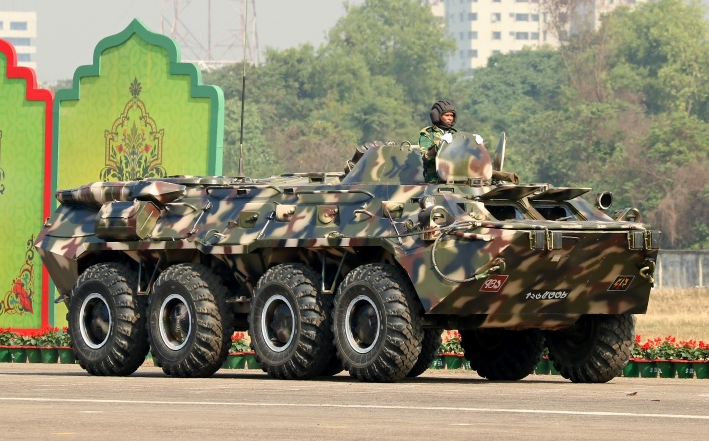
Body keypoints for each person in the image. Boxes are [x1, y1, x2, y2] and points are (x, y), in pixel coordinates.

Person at [419, 100, 458, 183]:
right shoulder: (428, 133)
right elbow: (426, 157)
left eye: (452, 115)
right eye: (447, 115)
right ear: (437, 116)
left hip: (455, 178)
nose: (450, 118)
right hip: (434, 180)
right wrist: (440, 145)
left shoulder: (455, 134)